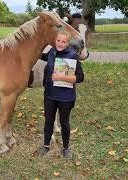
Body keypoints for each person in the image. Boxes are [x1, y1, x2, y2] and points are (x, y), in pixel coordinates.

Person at [35, 30, 84, 159]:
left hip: (65, 97)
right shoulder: (52, 52)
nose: (60, 44)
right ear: (55, 41)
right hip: (50, 94)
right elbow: (42, 56)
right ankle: (45, 146)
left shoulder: (73, 55)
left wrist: (62, 77)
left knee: (64, 122)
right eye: (58, 41)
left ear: (68, 43)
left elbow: (80, 77)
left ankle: (66, 148)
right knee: (49, 120)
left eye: (64, 42)